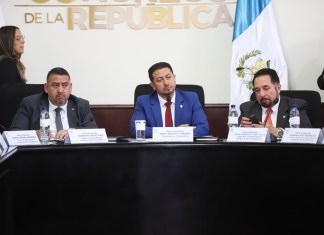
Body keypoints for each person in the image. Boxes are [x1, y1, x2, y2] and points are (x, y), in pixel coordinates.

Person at [10, 67, 97, 140]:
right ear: (46, 88)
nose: (60, 90)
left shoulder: (81, 105)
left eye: (65, 85)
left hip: (73, 156)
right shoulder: (30, 104)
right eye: (55, 85)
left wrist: (72, 133)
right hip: (40, 156)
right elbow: (14, 135)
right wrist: (35, 134)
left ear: (70, 87)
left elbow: (95, 134)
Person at [130, 62, 209, 138]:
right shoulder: (143, 102)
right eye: (160, 80)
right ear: (153, 85)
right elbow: (137, 130)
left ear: (174, 78)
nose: (166, 83)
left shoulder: (191, 98)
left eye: (168, 77)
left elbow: (203, 128)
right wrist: (176, 132)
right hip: (155, 150)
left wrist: (165, 133)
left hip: (184, 149)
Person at [239, 68, 312, 139]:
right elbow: (232, 135)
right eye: (257, 90)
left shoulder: (296, 106)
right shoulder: (247, 108)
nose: (261, 94)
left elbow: (307, 135)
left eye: (266, 88)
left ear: (278, 88)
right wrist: (241, 130)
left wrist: (276, 131)